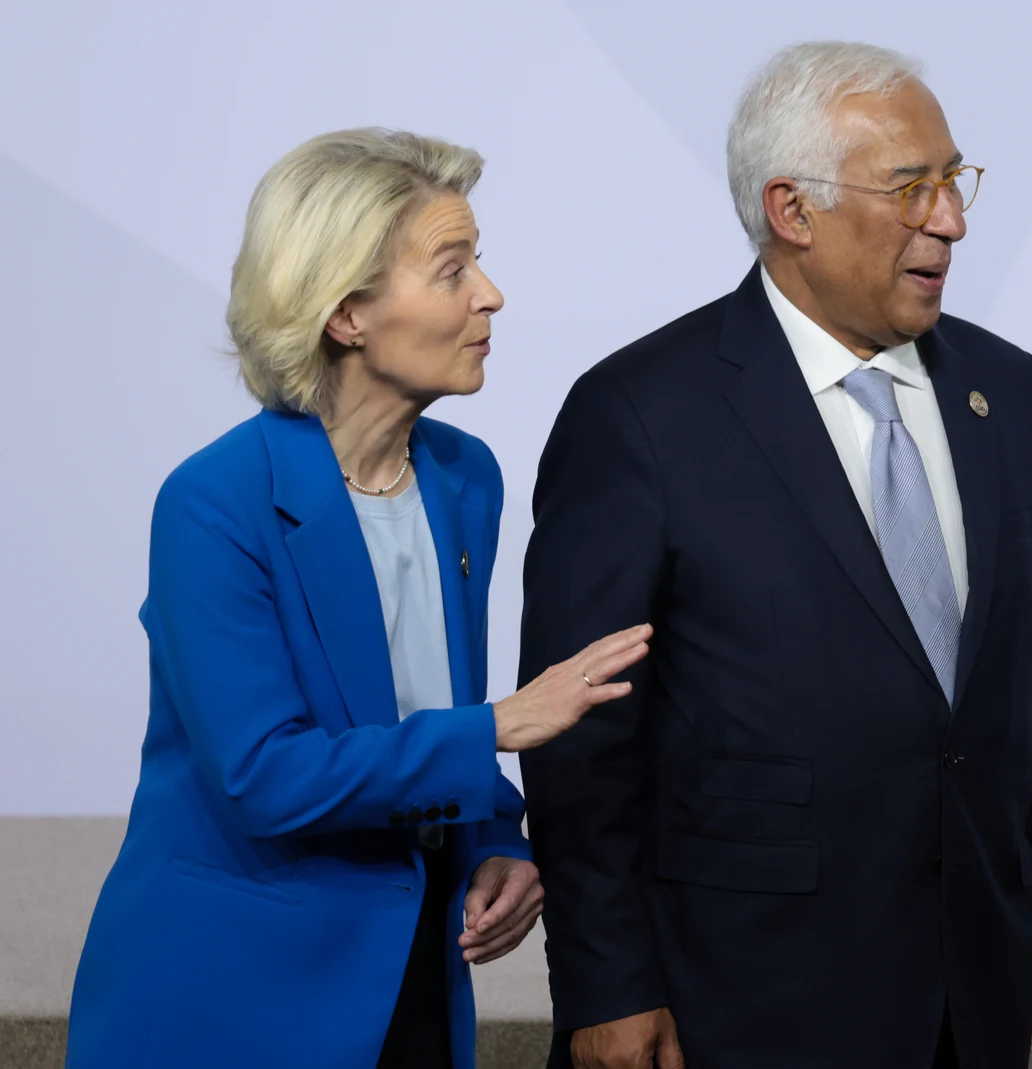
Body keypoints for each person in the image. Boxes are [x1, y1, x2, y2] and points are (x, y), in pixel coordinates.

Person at [519, 41, 1032, 1069]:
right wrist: (606, 984)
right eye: (911, 187)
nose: (952, 221)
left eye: (954, 181)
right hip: (736, 1003)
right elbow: (585, 746)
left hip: (970, 1000)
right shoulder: (639, 414)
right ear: (793, 211)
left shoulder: (1008, 393)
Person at [66, 128, 652, 1069]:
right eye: (453, 269)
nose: (490, 294)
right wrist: (499, 726)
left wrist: (499, 834)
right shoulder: (214, 503)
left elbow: (423, 712)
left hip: (416, 972)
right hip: (236, 996)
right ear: (346, 314)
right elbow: (266, 773)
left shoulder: (467, 479)